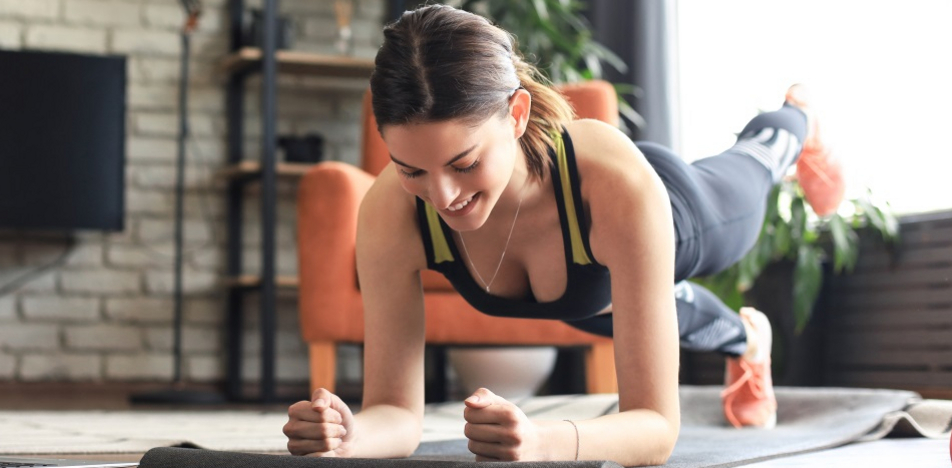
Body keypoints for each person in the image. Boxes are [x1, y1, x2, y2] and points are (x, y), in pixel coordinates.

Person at [282, 4, 843, 466]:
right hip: (581, 289)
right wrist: (350, 435)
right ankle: (747, 341)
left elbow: (656, 430)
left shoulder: (616, 186)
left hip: (676, 213)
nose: (444, 195)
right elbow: (397, 416)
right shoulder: (394, 210)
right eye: (411, 169)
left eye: (465, 162)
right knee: (615, 305)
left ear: (518, 113)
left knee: (752, 170)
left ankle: (798, 119)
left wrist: (545, 440)